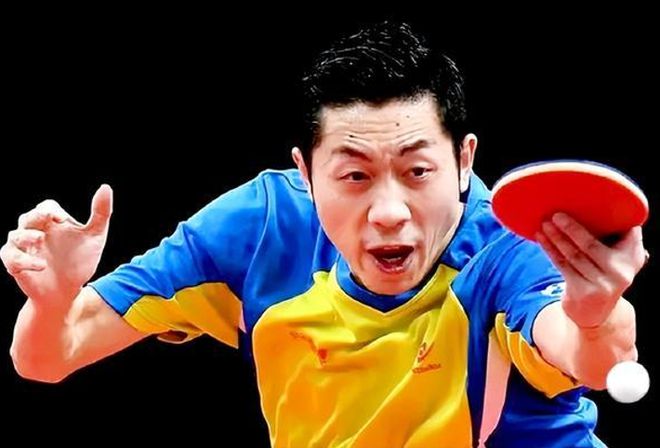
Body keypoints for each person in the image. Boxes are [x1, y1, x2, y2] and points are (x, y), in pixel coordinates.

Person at [1, 21, 648, 448]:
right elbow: (47, 358)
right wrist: (52, 303)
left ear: (463, 162)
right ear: (306, 174)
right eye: (356, 175)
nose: (389, 211)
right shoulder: (259, 231)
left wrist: (594, 316)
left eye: (417, 171)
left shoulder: (506, 247)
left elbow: (592, 358)